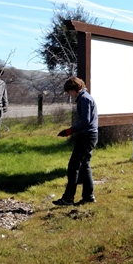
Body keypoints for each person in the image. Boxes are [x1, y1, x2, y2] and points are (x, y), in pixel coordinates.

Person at [53, 76, 99, 206]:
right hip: (91, 135)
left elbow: (85, 120)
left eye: (69, 91)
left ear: (75, 88)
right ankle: (88, 197)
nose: (68, 93)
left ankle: (68, 198)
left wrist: (70, 130)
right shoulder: (86, 97)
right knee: (85, 166)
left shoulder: (84, 99)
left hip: (86, 136)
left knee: (73, 167)